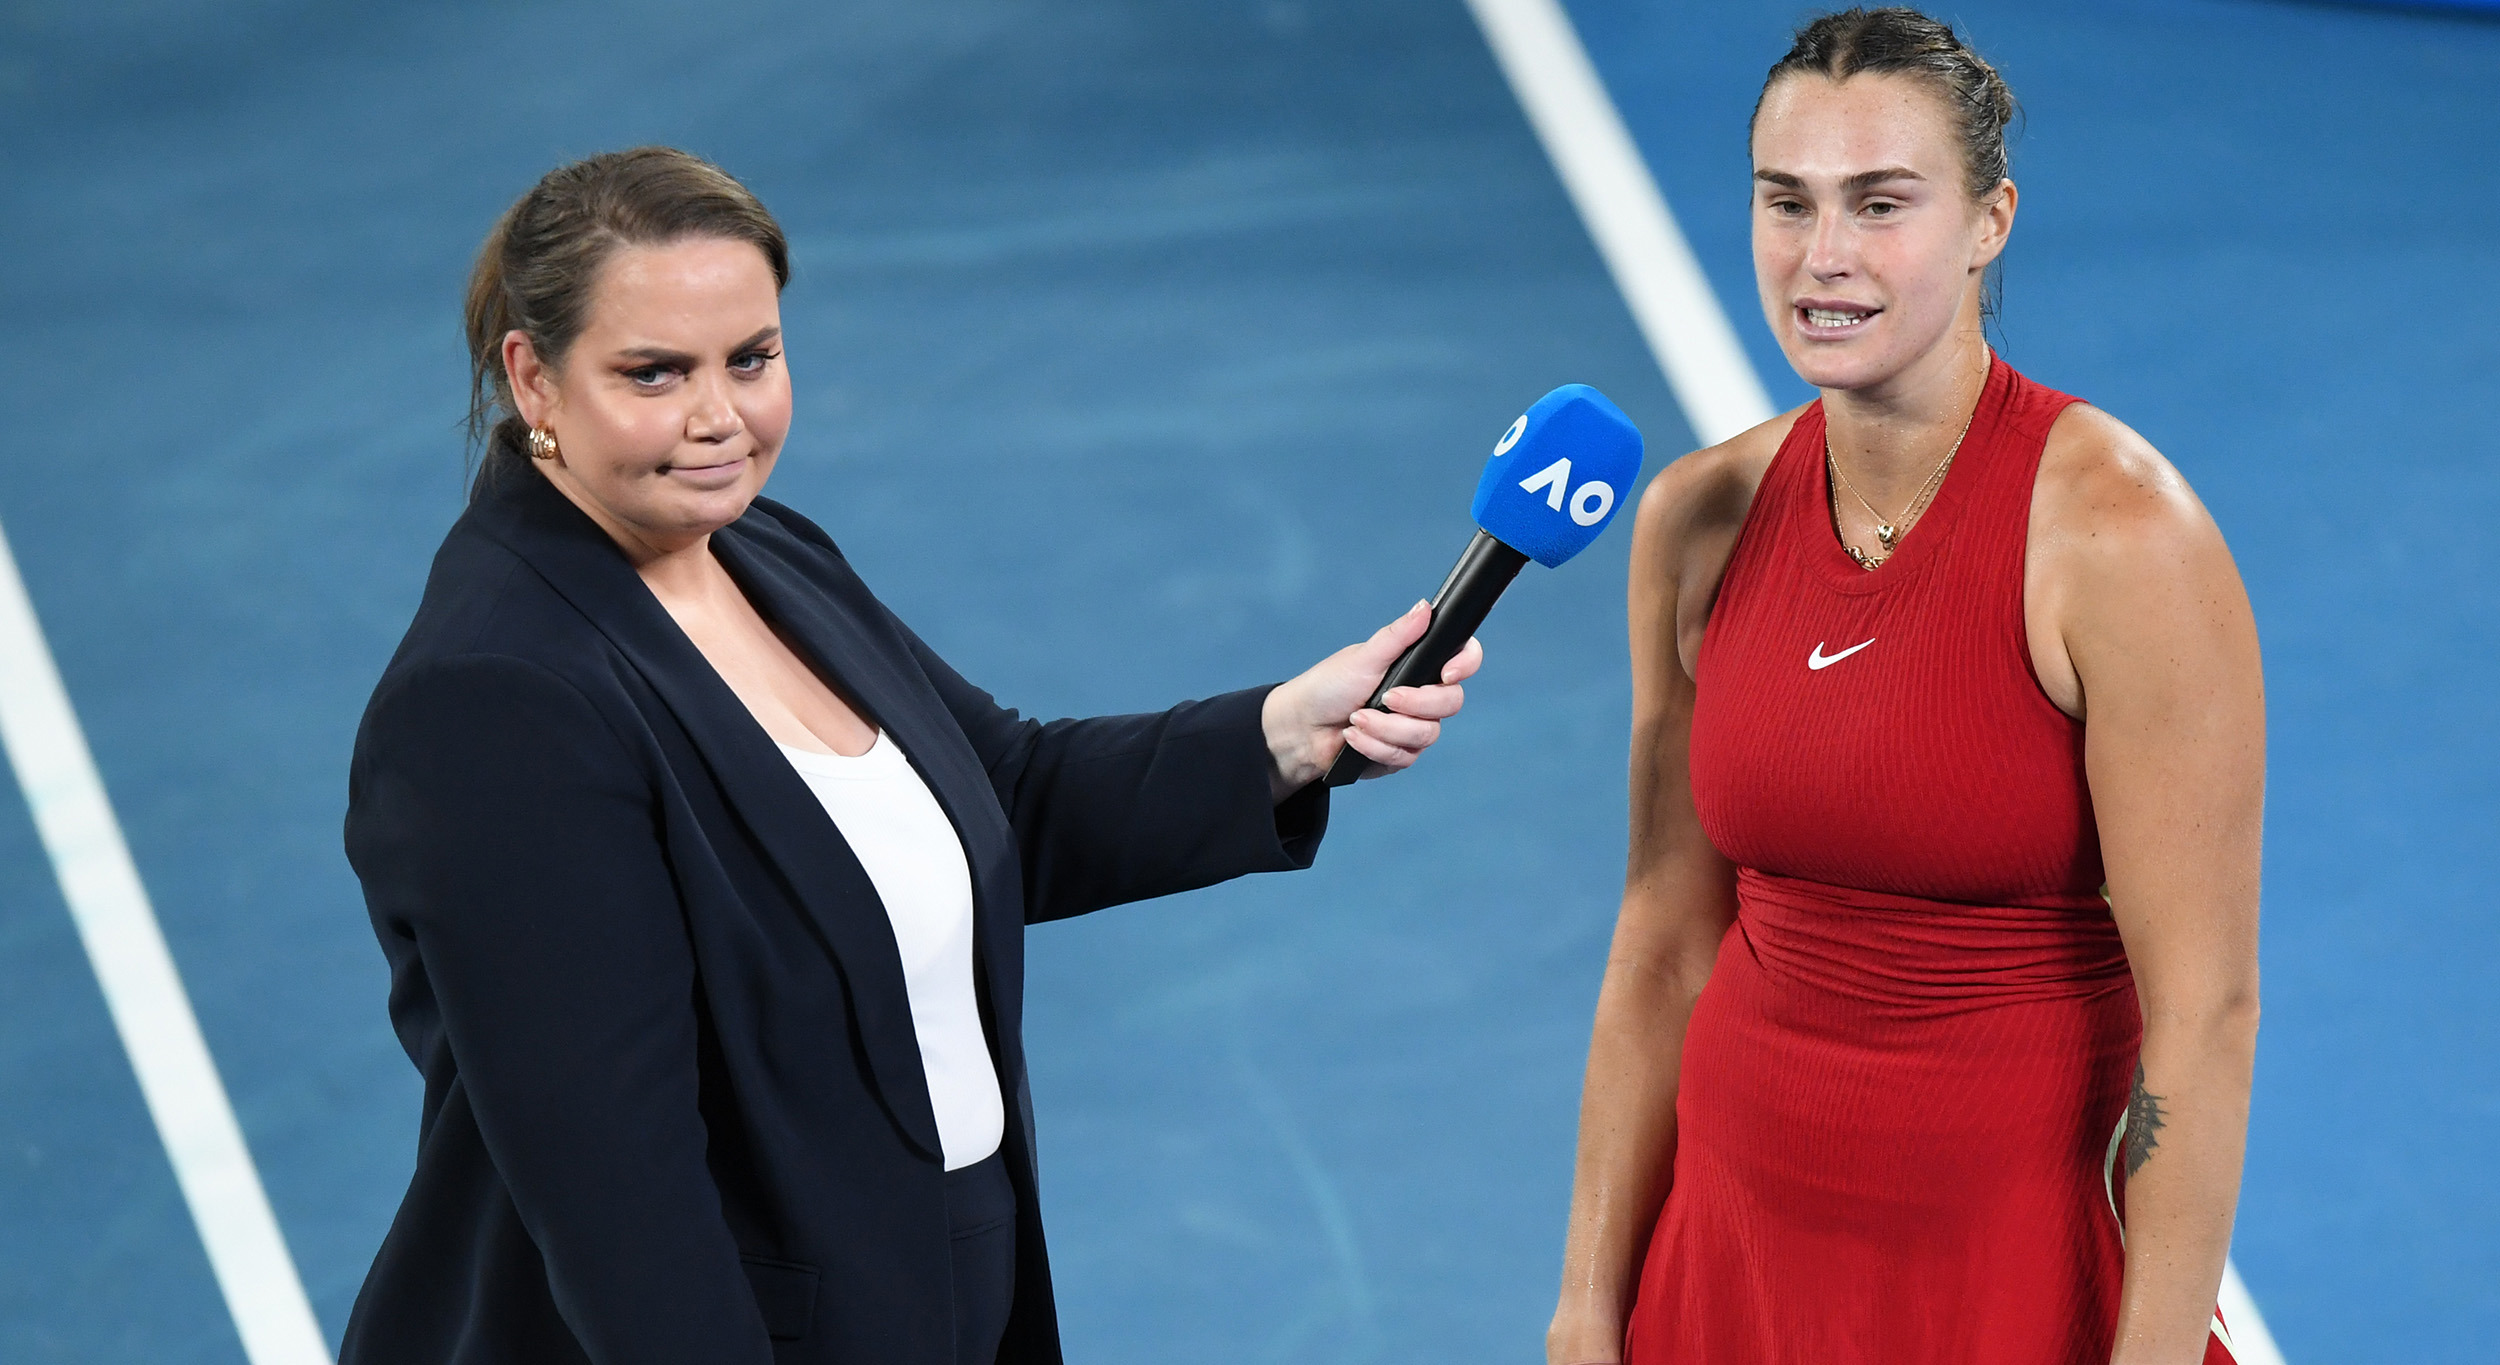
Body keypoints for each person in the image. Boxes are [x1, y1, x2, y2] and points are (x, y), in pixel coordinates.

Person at [339, 146, 1481, 1365]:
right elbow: (621, 1194)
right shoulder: (498, 700)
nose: (720, 418)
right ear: (534, 379)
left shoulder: (763, 554)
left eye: (752, 359)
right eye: (654, 374)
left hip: (929, 1283)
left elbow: (999, 800)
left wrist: (1285, 737)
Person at [1545, 10, 2262, 1365]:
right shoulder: (1696, 521)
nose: (1824, 257)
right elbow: (1662, 935)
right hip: (1734, 1264)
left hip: (2005, 1280)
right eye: (1787, 203)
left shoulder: (2121, 541)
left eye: (1881, 205)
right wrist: (1588, 1302)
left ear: (1990, 220)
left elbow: (2206, 1012)